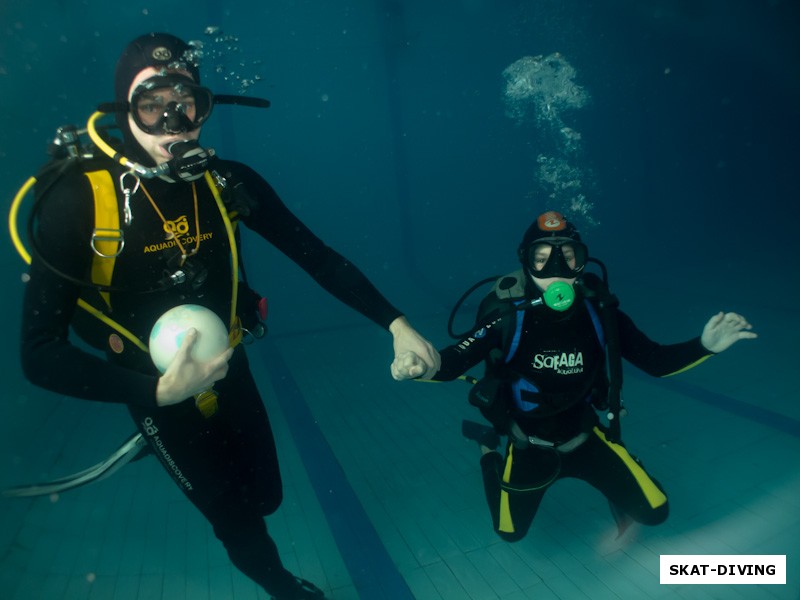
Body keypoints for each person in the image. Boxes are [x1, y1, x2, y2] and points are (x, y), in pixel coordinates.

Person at [19, 33, 440, 600]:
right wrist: (160, 393)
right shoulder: (79, 202)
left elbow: (314, 254)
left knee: (265, 496)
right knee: (234, 514)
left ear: (204, 106)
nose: (175, 120)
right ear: (124, 110)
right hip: (151, 386)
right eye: (152, 103)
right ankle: (282, 587)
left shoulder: (226, 183)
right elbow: (39, 352)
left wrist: (394, 322)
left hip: (226, 363)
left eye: (187, 101)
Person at [391, 210, 756, 543]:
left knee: (655, 513)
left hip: (586, 436)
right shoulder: (507, 317)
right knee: (509, 533)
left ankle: (616, 472)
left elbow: (655, 360)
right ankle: (488, 450)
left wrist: (704, 346)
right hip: (526, 443)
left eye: (568, 256)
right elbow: (453, 361)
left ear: (582, 261)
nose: (556, 270)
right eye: (541, 257)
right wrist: (419, 367)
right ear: (525, 261)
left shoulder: (600, 311)